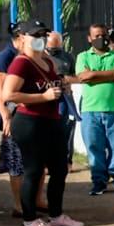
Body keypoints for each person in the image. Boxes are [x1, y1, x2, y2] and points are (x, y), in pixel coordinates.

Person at [2, 19, 83, 226]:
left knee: (59, 169)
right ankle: (29, 220)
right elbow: (8, 94)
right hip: (29, 122)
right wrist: (43, 96)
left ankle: (56, 216)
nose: (40, 39)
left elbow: (53, 83)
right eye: (35, 35)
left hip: (51, 120)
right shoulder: (21, 62)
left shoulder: (47, 61)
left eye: (43, 35)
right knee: (34, 171)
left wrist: (62, 85)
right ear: (22, 38)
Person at [75, 24, 114, 195]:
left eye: (104, 35)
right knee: (94, 147)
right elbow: (83, 77)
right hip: (90, 111)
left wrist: (94, 75)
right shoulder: (83, 56)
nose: (101, 39)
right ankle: (99, 181)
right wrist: (111, 75)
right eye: (96, 36)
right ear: (89, 38)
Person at [0, 27, 28, 217]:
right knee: (16, 162)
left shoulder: (25, 55)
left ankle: (33, 201)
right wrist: (6, 115)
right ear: (20, 37)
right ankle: (18, 205)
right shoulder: (5, 56)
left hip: (27, 116)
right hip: (13, 118)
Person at [45, 32, 80, 170]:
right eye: (51, 48)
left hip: (65, 99)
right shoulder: (40, 57)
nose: (54, 51)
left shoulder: (67, 57)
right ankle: (47, 163)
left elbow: (78, 77)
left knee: (67, 130)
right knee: (47, 132)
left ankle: (67, 162)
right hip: (46, 99)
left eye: (57, 48)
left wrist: (65, 80)